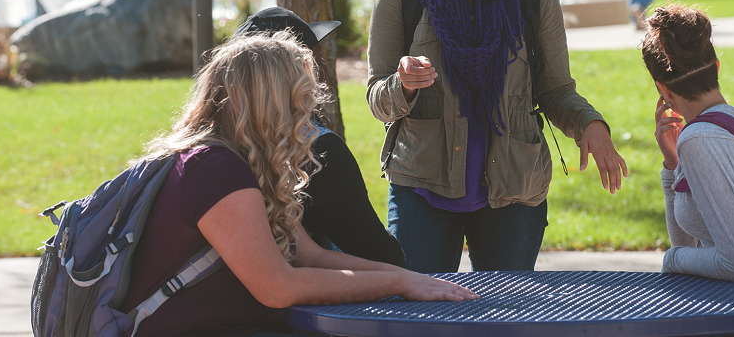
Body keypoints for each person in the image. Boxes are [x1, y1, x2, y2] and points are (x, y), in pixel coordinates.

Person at [366, 0, 628, 274]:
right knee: (423, 320)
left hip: (514, 191)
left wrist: (590, 125)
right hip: (423, 187)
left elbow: (556, 90)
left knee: (506, 320)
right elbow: (377, 97)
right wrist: (402, 84)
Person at [119, 32, 477, 337]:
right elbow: (278, 287)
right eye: (301, 99)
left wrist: (408, 278)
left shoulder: (238, 163)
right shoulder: (215, 170)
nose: (309, 113)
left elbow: (311, 256)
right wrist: (398, 284)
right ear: (270, 105)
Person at [235, 7, 406, 266]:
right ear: (292, 76)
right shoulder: (318, 152)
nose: (324, 71)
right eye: (315, 61)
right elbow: (383, 259)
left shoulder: (215, 143)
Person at [644, 4, 734, 286]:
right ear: (716, 67)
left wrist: (672, 259)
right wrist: (673, 167)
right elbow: (694, 243)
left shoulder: (700, 139)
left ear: (663, 89)